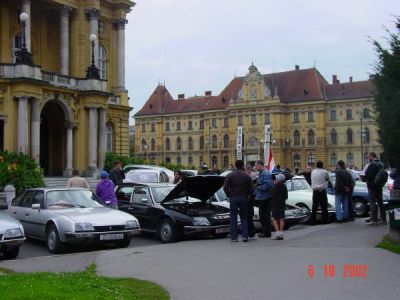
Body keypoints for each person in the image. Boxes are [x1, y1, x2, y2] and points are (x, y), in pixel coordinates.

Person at [223, 160, 253, 242]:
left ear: (235, 165)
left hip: (233, 197)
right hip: (243, 197)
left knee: (233, 217)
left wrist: (229, 195)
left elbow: (225, 187)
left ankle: (234, 238)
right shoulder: (247, 176)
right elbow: (251, 188)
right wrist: (248, 195)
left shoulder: (229, 175)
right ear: (242, 165)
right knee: (244, 217)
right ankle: (245, 236)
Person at [364, 152, 387, 225]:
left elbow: (368, 175)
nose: (368, 158)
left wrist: (365, 179)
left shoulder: (372, 164)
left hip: (372, 185)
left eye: (368, 157)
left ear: (372, 156)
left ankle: (374, 220)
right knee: (380, 202)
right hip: (379, 185)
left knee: (372, 202)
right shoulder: (381, 164)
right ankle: (383, 219)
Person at [254, 160, 273, 238]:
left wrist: (258, 187)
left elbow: (268, 185)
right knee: (263, 216)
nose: (255, 167)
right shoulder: (262, 172)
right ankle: (265, 232)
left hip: (265, 197)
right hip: (262, 197)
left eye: (256, 166)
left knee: (264, 216)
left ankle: (267, 233)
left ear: (260, 165)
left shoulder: (265, 173)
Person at [270, 174, 288, 240]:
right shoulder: (284, 186)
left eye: (276, 178)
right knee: (281, 218)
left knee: (274, 219)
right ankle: (281, 234)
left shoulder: (275, 186)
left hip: (275, 204)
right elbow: (286, 196)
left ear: (278, 180)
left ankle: (277, 233)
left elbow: (271, 193)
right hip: (282, 204)